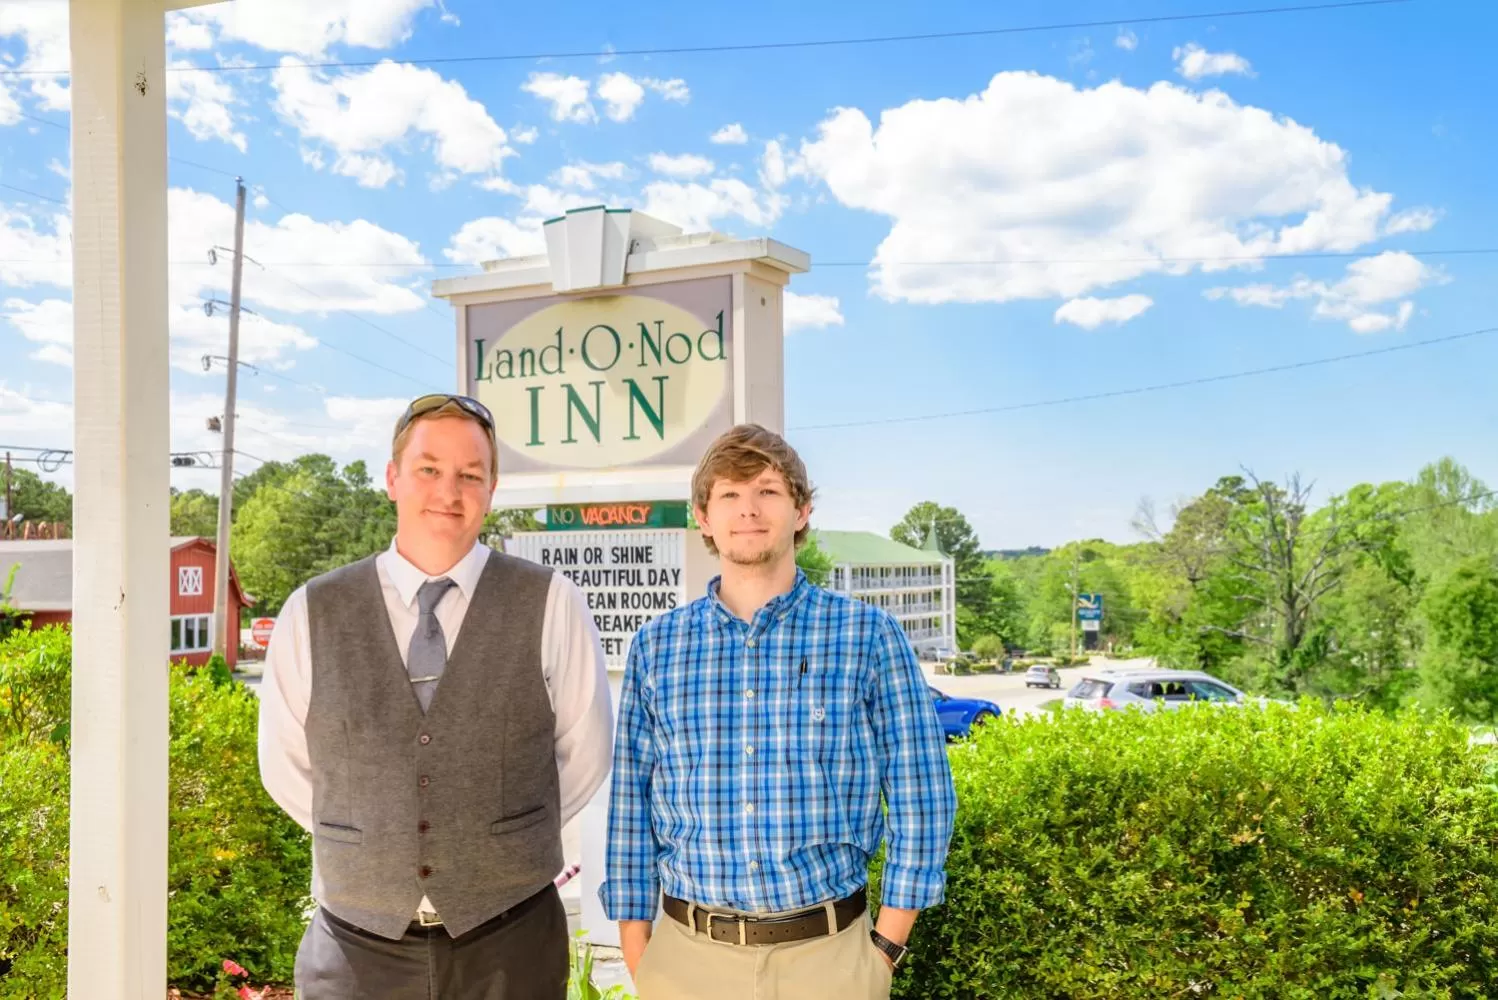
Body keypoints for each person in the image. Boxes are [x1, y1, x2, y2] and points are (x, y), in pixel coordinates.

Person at [258, 393, 613, 999]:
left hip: (511, 943)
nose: (449, 491)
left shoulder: (551, 601)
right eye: (429, 469)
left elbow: (584, 754)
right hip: (354, 948)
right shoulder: (312, 610)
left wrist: (498, 842)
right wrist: (373, 839)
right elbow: (287, 767)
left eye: (469, 475)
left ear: (492, 487)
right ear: (393, 478)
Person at [600, 424, 956, 1000]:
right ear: (703, 516)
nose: (749, 510)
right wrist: (642, 957)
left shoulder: (868, 635)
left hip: (830, 959)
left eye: (767, 491)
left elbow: (922, 795)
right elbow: (630, 809)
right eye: (729, 495)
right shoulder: (657, 646)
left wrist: (884, 951)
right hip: (684, 963)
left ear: (801, 509)